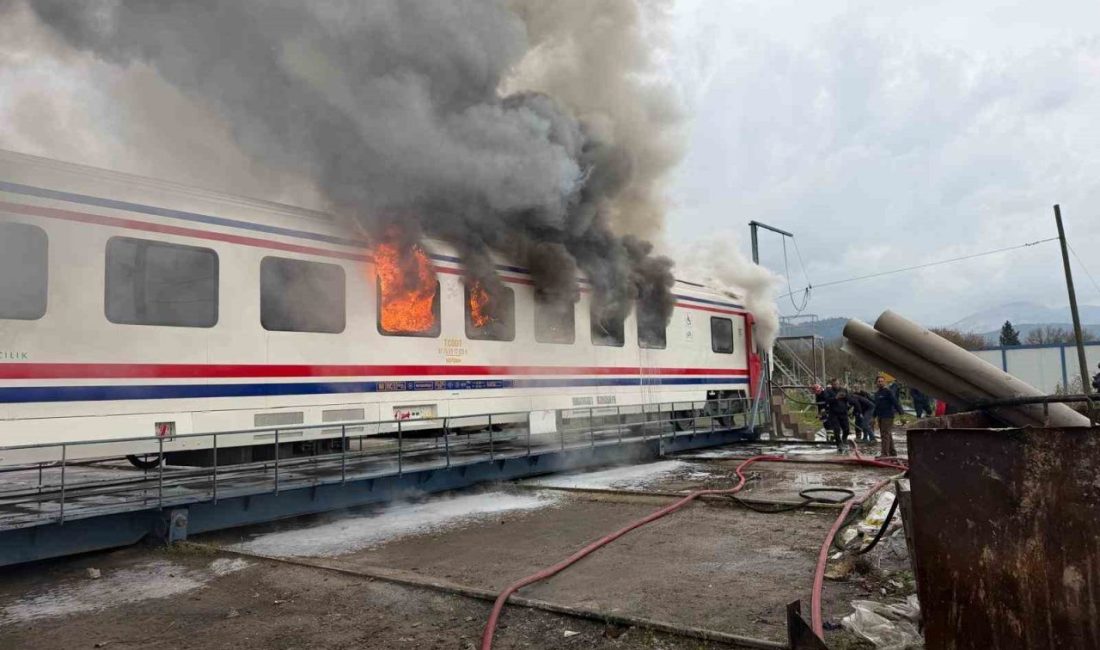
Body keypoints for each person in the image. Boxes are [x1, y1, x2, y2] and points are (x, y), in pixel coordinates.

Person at [873, 375, 905, 457]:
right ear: (876, 383)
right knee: (887, 434)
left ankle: (884, 454)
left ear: (884, 382)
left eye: (881, 381)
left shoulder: (888, 392)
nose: (880, 382)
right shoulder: (876, 394)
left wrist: (901, 414)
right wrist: (873, 417)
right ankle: (892, 452)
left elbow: (895, 403)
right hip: (880, 416)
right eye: (878, 381)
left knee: (885, 435)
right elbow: (876, 406)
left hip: (888, 416)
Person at [828, 386, 854, 453]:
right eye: (834, 383)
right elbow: (827, 400)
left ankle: (844, 439)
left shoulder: (844, 391)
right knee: (837, 429)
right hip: (834, 414)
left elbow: (850, 400)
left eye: (837, 383)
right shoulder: (829, 391)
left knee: (846, 429)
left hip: (843, 413)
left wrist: (845, 396)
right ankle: (839, 443)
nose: (836, 384)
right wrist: (836, 397)